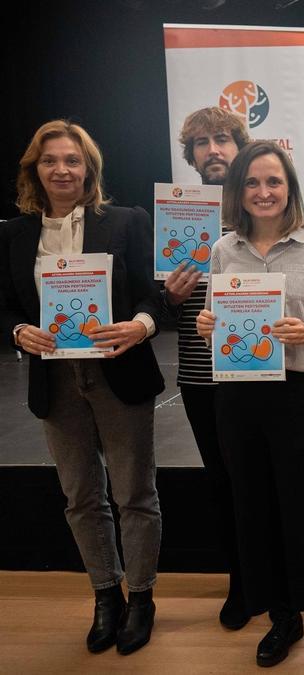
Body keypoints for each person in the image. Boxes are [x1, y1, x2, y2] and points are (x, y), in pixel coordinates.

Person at [0, 120, 165, 655]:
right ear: (35, 170)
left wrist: (140, 324)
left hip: (119, 370)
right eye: (50, 161)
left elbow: (153, 294)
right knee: (80, 497)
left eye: (72, 160)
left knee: (134, 493)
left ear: (88, 168)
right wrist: (18, 331)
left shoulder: (126, 222)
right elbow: (5, 307)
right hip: (55, 380)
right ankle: (105, 595)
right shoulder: (14, 234)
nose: (62, 169)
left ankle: (140, 597)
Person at [196, 141, 304, 668]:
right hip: (239, 399)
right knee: (256, 509)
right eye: (252, 183)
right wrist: (206, 327)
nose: (263, 192)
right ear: (237, 191)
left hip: (296, 396)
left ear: (289, 187)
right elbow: (213, 320)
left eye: (273, 182)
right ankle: (283, 617)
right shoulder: (224, 250)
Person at [164, 106, 251, 630]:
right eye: (202, 143)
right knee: (222, 483)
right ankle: (241, 582)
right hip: (201, 376)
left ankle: (275, 576)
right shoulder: (177, 215)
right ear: (191, 155)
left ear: (239, 145)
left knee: (260, 480)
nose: (213, 150)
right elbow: (155, 304)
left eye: (222, 139)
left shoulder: (262, 203)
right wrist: (170, 300)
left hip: (257, 372)